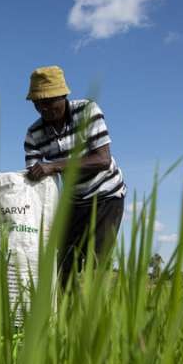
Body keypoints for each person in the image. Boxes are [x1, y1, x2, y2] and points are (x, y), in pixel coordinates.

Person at [23, 65, 125, 285]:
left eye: (50, 102)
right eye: (38, 104)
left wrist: (55, 166)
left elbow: (102, 160)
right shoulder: (33, 134)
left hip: (106, 194)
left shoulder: (87, 111)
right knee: (62, 265)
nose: (44, 109)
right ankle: (67, 316)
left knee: (94, 263)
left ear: (64, 95)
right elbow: (34, 180)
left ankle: (94, 315)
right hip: (73, 200)